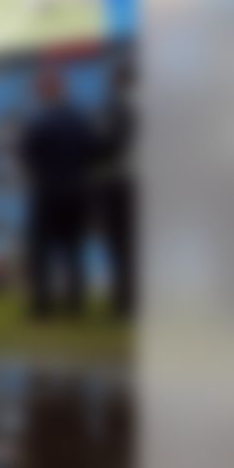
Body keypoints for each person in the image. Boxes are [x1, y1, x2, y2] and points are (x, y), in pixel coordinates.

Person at [15, 68, 102, 320]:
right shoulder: (80, 119)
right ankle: (75, 305)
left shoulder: (39, 121)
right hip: (77, 190)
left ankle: (42, 306)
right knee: (73, 250)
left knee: (41, 250)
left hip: (47, 192)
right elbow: (95, 151)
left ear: (44, 92)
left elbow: (26, 155)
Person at [93, 60, 139, 320]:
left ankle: (125, 300)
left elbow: (109, 144)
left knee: (120, 244)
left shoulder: (118, 108)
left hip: (121, 182)